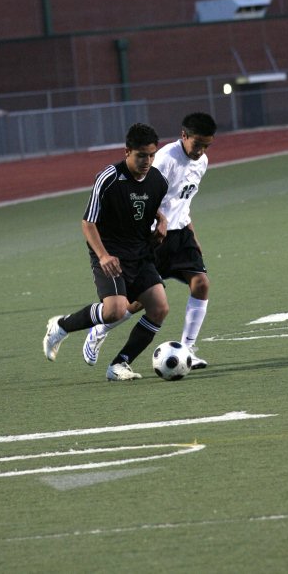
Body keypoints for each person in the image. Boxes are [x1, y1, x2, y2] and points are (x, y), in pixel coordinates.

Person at [82, 111, 217, 370]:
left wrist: (192, 233)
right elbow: (141, 191)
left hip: (181, 234)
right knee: (141, 301)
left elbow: (183, 200)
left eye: (206, 145)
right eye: (197, 143)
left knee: (201, 284)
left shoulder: (202, 162)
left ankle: (188, 349)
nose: (201, 150)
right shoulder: (164, 159)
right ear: (183, 136)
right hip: (154, 236)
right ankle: (99, 330)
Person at [43, 123, 170, 381]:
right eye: (141, 155)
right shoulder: (109, 178)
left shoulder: (158, 181)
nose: (147, 161)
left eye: (151, 155)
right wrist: (103, 256)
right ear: (127, 152)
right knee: (114, 309)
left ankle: (119, 365)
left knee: (159, 308)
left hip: (140, 252)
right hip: (109, 253)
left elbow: (147, 206)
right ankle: (61, 326)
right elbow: (88, 222)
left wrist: (162, 222)